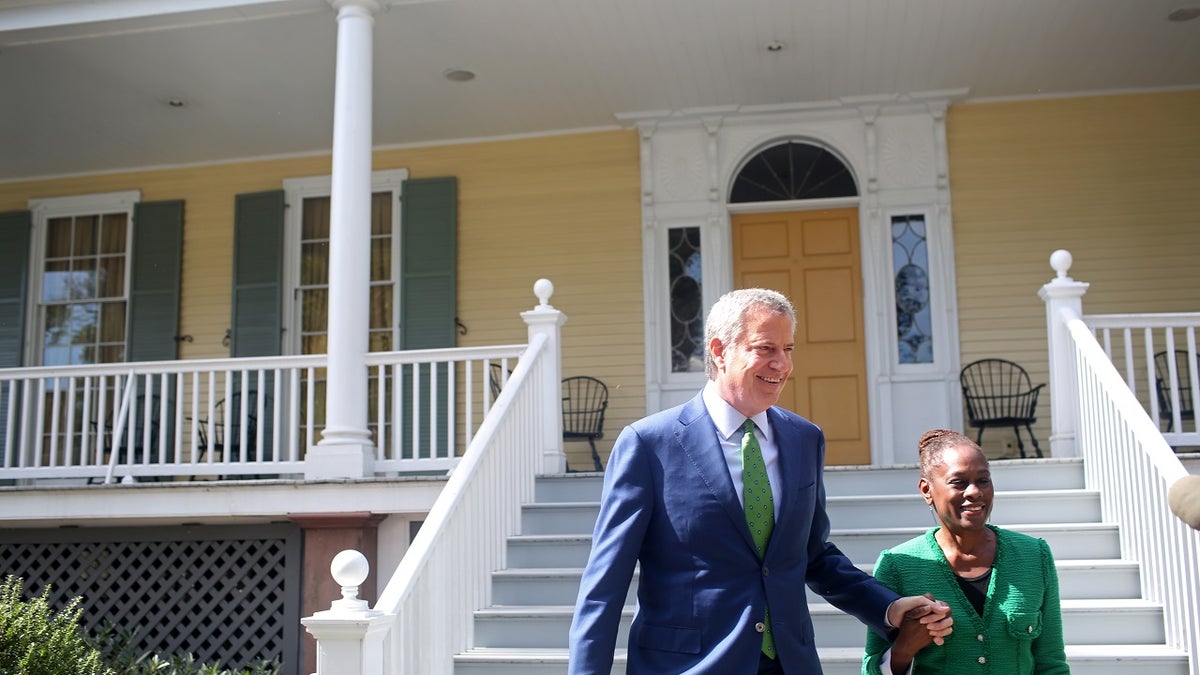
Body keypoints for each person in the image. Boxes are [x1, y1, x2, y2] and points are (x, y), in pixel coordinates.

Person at [568, 288, 952, 674]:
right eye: (766, 348)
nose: (782, 364)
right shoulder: (649, 444)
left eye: (788, 349)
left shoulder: (805, 439)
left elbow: (812, 555)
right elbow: (605, 585)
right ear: (719, 351)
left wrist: (885, 606)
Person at [862, 429, 1070, 674]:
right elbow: (871, 668)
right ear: (926, 490)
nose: (974, 492)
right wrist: (905, 647)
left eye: (983, 480)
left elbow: (1051, 663)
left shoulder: (1034, 555)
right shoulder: (897, 565)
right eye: (959, 482)